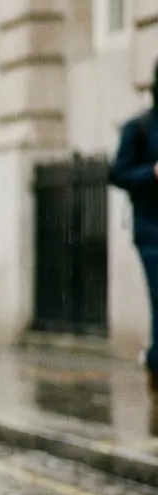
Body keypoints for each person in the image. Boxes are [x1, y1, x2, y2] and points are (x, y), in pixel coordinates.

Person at [112, 58, 158, 394]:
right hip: (152, 231)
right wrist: (152, 174)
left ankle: (154, 359)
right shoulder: (139, 127)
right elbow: (117, 173)